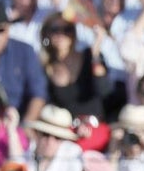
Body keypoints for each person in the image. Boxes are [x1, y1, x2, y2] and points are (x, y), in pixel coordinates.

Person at [41, 12, 112, 152]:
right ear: (46, 35)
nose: (61, 34)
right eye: (55, 30)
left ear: (73, 34)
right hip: (65, 133)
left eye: (67, 29)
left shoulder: (89, 56)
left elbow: (104, 89)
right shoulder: (46, 68)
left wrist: (96, 52)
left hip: (96, 130)